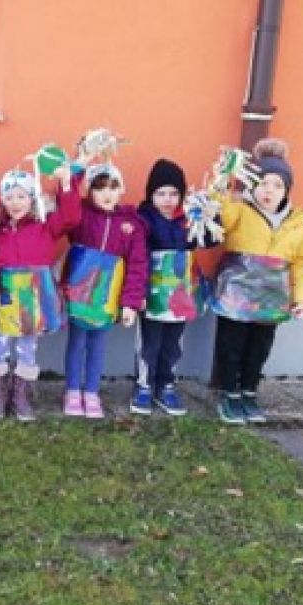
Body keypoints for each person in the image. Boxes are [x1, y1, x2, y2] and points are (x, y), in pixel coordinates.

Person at [210, 139, 303, 425]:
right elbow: (217, 212)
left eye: (278, 185)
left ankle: (249, 391)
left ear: (287, 190)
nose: (269, 190)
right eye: (263, 183)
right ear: (252, 185)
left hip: (271, 298)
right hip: (237, 294)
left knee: (259, 348)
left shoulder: (297, 223)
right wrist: (222, 178)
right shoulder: (239, 210)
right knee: (232, 345)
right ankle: (229, 393)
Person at [0, 164, 79, 421]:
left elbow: (71, 217)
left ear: (32, 198)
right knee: (0, 344)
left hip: (34, 297)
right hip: (5, 297)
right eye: (9, 197)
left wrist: (67, 184)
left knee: (27, 346)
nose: (15, 203)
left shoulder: (45, 226)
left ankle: (21, 392)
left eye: (21, 196)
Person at [60, 164, 148, 418]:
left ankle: (91, 392)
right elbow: (66, 201)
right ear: (89, 191)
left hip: (108, 294)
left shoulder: (132, 224)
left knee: (98, 344)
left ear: (121, 189)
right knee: (76, 342)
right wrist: (75, 170)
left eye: (113, 187)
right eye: (99, 188)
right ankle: (72, 391)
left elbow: (138, 264)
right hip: (79, 291)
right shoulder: (81, 215)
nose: (107, 194)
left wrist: (130, 302)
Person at [132, 158, 214, 416]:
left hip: (182, 293)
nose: (167, 200)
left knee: (174, 342)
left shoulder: (189, 218)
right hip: (153, 293)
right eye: (161, 193)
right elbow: (138, 257)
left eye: (173, 193)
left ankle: (166, 384)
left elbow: (209, 240)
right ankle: (144, 385)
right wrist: (138, 292)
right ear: (151, 194)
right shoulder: (144, 220)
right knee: (150, 342)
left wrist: (210, 216)